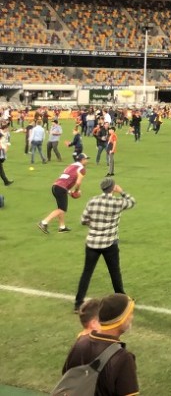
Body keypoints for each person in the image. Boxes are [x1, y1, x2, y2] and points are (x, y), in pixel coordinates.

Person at [74, 177, 136, 312]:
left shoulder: (92, 201)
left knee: (87, 273)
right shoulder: (117, 203)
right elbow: (132, 202)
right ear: (113, 188)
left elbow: (83, 220)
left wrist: (95, 225)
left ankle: (78, 303)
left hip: (92, 243)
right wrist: (122, 191)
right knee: (115, 272)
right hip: (109, 243)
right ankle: (123, 300)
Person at [60, 293, 139, 396]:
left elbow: (67, 381)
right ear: (120, 319)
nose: (132, 317)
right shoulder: (123, 358)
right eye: (130, 313)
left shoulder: (80, 343)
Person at [39, 153, 88, 234]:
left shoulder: (71, 166)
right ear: (82, 160)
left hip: (56, 186)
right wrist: (76, 191)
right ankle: (44, 222)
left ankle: (62, 227)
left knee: (61, 208)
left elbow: (64, 179)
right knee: (61, 209)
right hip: (61, 188)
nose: (87, 161)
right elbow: (78, 183)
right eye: (86, 159)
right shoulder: (82, 169)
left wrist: (69, 192)